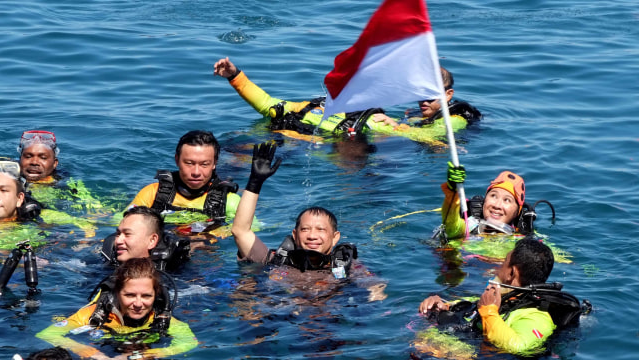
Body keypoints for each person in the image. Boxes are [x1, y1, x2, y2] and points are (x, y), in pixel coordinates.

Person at [231, 142, 386, 304]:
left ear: (335, 238)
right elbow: (240, 231)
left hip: (329, 320)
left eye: (321, 230)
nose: (312, 235)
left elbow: (376, 290)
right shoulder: (276, 261)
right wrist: (254, 183)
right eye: (305, 229)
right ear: (295, 235)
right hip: (282, 318)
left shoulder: (348, 267)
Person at [213, 57, 481, 144]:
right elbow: (268, 104)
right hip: (272, 142)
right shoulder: (313, 105)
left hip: (290, 153)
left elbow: (412, 134)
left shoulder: (373, 121)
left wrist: (438, 143)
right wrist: (235, 76)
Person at [417, 238, 585, 356]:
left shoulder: (538, 316)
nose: (497, 269)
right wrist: (442, 304)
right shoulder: (505, 300)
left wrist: (489, 312)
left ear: (512, 273)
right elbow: (472, 310)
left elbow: (519, 347)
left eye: (503, 263)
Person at [36, 258, 198, 359]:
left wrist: (144, 355)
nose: (138, 303)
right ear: (117, 293)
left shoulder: (163, 319)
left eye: (146, 296)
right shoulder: (93, 315)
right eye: (130, 295)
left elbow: (189, 343)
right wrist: (92, 353)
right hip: (103, 348)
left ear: (156, 295)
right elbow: (48, 334)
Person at [435, 162, 571, 263]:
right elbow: (451, 223)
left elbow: (556, 258)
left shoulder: (523, 241)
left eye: (507, 200)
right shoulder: (469, 226)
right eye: (493, 196)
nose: (497, 205)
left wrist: (588, 269)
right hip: (461, 281)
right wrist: (452, 191)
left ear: (517, 211)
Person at [127, 130, 243, 233]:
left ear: (214, 163)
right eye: (189, 163)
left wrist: (208, 235)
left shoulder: (229, 201)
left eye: (204, 164)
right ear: (177, 160)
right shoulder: (153, 194)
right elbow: (122, 223)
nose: (196, 172)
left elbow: (249, 229)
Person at [0, 160, 96, 250]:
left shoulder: (38, 215)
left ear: (19, 199)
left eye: (3, 190)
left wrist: (85, 241)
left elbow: (84, 224)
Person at [17, 130, 107, 214]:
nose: (34, 162)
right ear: (20, 160)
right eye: (28, 156)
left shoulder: (66, 181)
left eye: (43, 158)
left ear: (54, 163)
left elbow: (88, 200)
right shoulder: (10, 176)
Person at [100, 206, 190, 271]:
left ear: (152, 240)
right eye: (118, 234)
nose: (118, 241)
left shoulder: (177, 273)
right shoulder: (106, 262)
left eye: (127, 234)